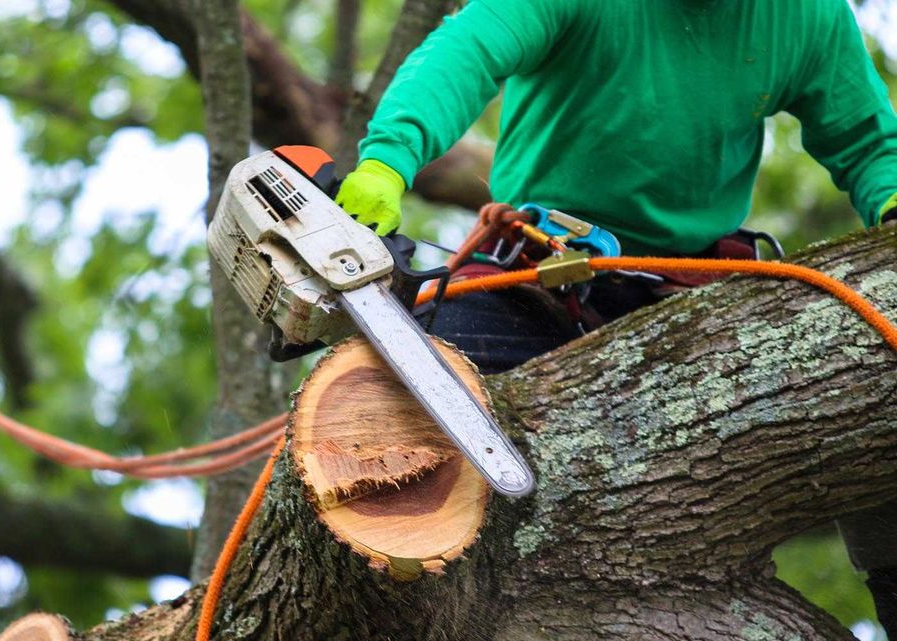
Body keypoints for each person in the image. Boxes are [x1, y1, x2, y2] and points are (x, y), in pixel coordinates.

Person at [333, 0, 897, 634]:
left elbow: (870, 142)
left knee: (877, 382)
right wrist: (388, 160)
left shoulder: (805, 17)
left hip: (695, 302)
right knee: (404, 424)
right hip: (531, 279)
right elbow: (465, 52)